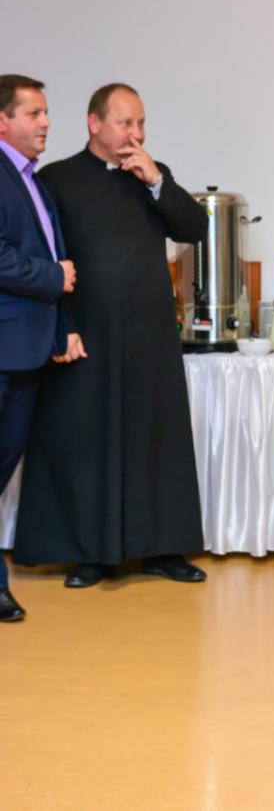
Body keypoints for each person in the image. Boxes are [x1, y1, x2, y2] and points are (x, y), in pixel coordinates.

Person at [13, 83, 208, 587]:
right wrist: (64, 328)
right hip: (86, 334)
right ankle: (88, 553)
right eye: (125, 123)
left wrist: (156, 181)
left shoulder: (151, 173)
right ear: (94, 124)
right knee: (83, 443)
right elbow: (44, 256)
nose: (135, 134)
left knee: (156, 440)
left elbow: (194, 228)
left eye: (141, 124)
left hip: (151, 336)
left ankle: (163, 549)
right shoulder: (57, 180)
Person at [0, 74, 75, 620]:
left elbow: (51, 250)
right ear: (3, 121)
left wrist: (62, 325)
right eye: (34, 113)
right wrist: (54, 277)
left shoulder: (31, 179)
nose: (46, 122)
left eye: (45, 112)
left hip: (25, 349)